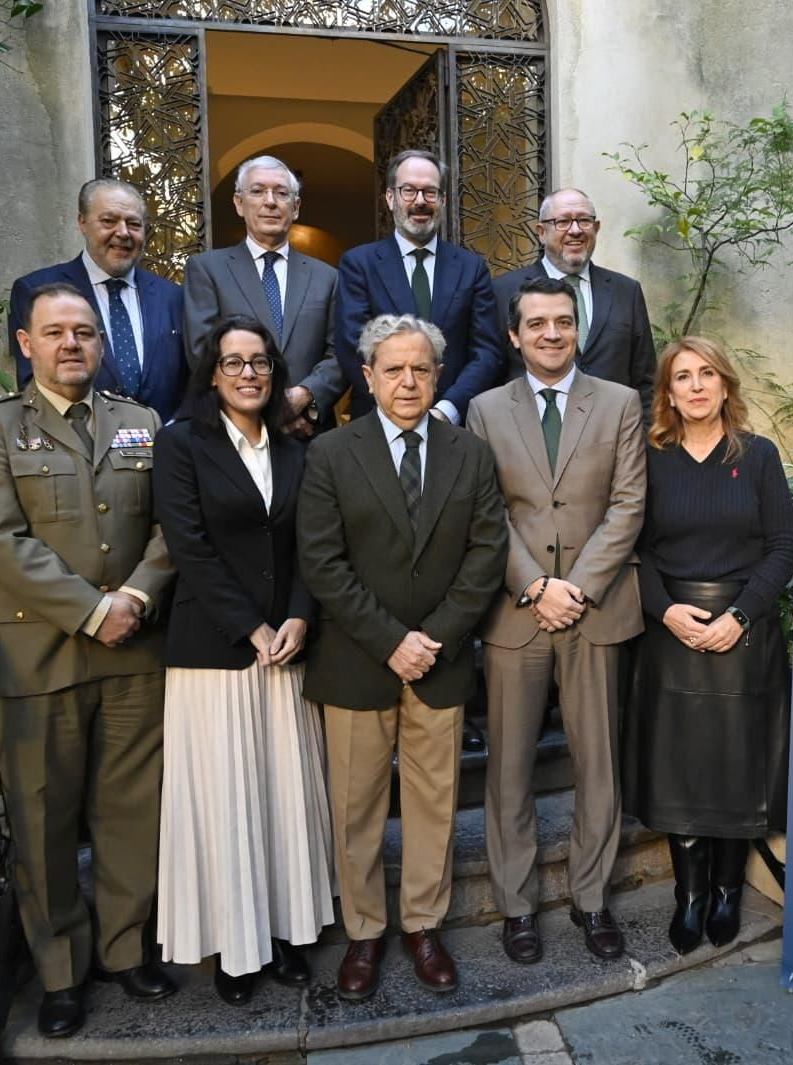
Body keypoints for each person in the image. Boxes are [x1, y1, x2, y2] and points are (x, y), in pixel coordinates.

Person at [0, 281, 175, 1038]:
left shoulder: (139, 421)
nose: (72, 343)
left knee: (130, 814)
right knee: (43, 822)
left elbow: (167, 527)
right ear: (27, 343)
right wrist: (92, 609)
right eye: (55, 332)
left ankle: (125, 948)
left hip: (133, 654)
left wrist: (138, 599)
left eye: (83, 331)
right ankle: (60, 971)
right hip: (40, 657)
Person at [297, 314, 508, 1002]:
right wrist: (391, 639)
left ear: (437, 375)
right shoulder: (330, 453)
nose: (408, 380)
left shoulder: (470, 453)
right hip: (358, 660)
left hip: (440, 662)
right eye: (394, 369)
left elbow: (485, 556)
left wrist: (433, 638)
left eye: (421, 368)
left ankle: (423, 924)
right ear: (368, 376)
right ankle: (364, 930)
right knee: (355, 807)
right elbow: (323, 563)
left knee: (432, 803)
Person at [151, 315, 335, 1006]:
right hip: (215, 653)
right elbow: (188, 546)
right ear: (212, 373)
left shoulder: (296, 446)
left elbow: (312, 544)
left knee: (282, 796)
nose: (249, 373)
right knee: (227, 799)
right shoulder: (181, 444)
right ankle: (236, 946)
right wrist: (250, 627)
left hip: (286, 649)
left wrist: (296, 615)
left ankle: (287, 931)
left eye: (259, 361)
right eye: (234, 362)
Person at [466, 277, 645, 964]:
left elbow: (628, 505)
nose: (550, 333)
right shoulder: (484, 410)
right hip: (517, 611)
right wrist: (536, 585)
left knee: (597, 761)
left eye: (562, 322)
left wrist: (577, 587)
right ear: (514, 335)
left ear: (577, 330)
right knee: (508, 767)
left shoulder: (621, 403)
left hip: (595, 610)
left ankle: (591, 897)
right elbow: (488, 511)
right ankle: (517, 907)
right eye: (535, 322)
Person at [622, 335, 793, 955]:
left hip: (743, 633)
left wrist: (741, 616)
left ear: (725, 384)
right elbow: (631, 548)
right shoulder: (650, 458)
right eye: (681, 377)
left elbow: (782, 546)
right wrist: (666, 611)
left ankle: (727, 891)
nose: (695, 386)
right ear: (667, 393)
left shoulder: (759, 457)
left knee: (733, 765)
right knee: (682, 768)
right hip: (671, 631)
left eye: (706, 374)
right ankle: (689, 896)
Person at [334, 149, 502, 424]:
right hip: (379, 421)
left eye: (430, 192)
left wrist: (447, 409)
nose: (420, 201)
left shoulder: (472, 268)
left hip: (452, 423)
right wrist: (397, 402)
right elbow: (352, 346)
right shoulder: (359, 264)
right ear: (391, 198)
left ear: (443, 200)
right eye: (409, 191)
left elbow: (486, 352)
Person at [182, 156, 343, 437]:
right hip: (234, 433)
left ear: (295, 207)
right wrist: (261, 411)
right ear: (238, 203)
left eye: (281, 193)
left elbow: (340, 353)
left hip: (308, 434)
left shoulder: (327, 277)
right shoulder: (207, 270)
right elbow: (202, 352)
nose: (270, 201)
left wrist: (305, 398)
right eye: (257, 191)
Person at [8, 178, 188, 421]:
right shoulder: (36, 290)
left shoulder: (174, 297)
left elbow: (189, 384)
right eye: (109, 221)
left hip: (164, 449)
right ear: (83, 222)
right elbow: (33, 381)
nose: (123, 233)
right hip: (77, 447)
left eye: (134, 224)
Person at [494, 188, 656, 411]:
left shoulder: (626, 291)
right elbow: (492, 373)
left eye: (584, 221)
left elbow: (646, 381)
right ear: (541, 232)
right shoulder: (504, 291)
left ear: (596, 228)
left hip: (614, 434)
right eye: (563, 222)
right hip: (533, 431)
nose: (575, 230)